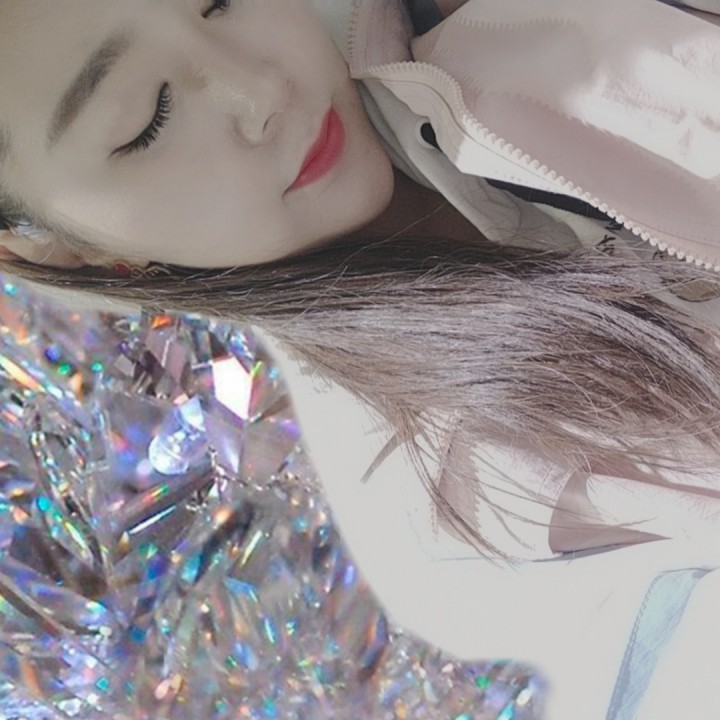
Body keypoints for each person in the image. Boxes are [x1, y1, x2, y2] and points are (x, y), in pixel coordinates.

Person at [1, 0, 720, 717]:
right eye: (148, 117)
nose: (261, 90)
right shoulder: (454, 499)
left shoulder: (492, 30)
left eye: (223, 2)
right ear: (62, 247)